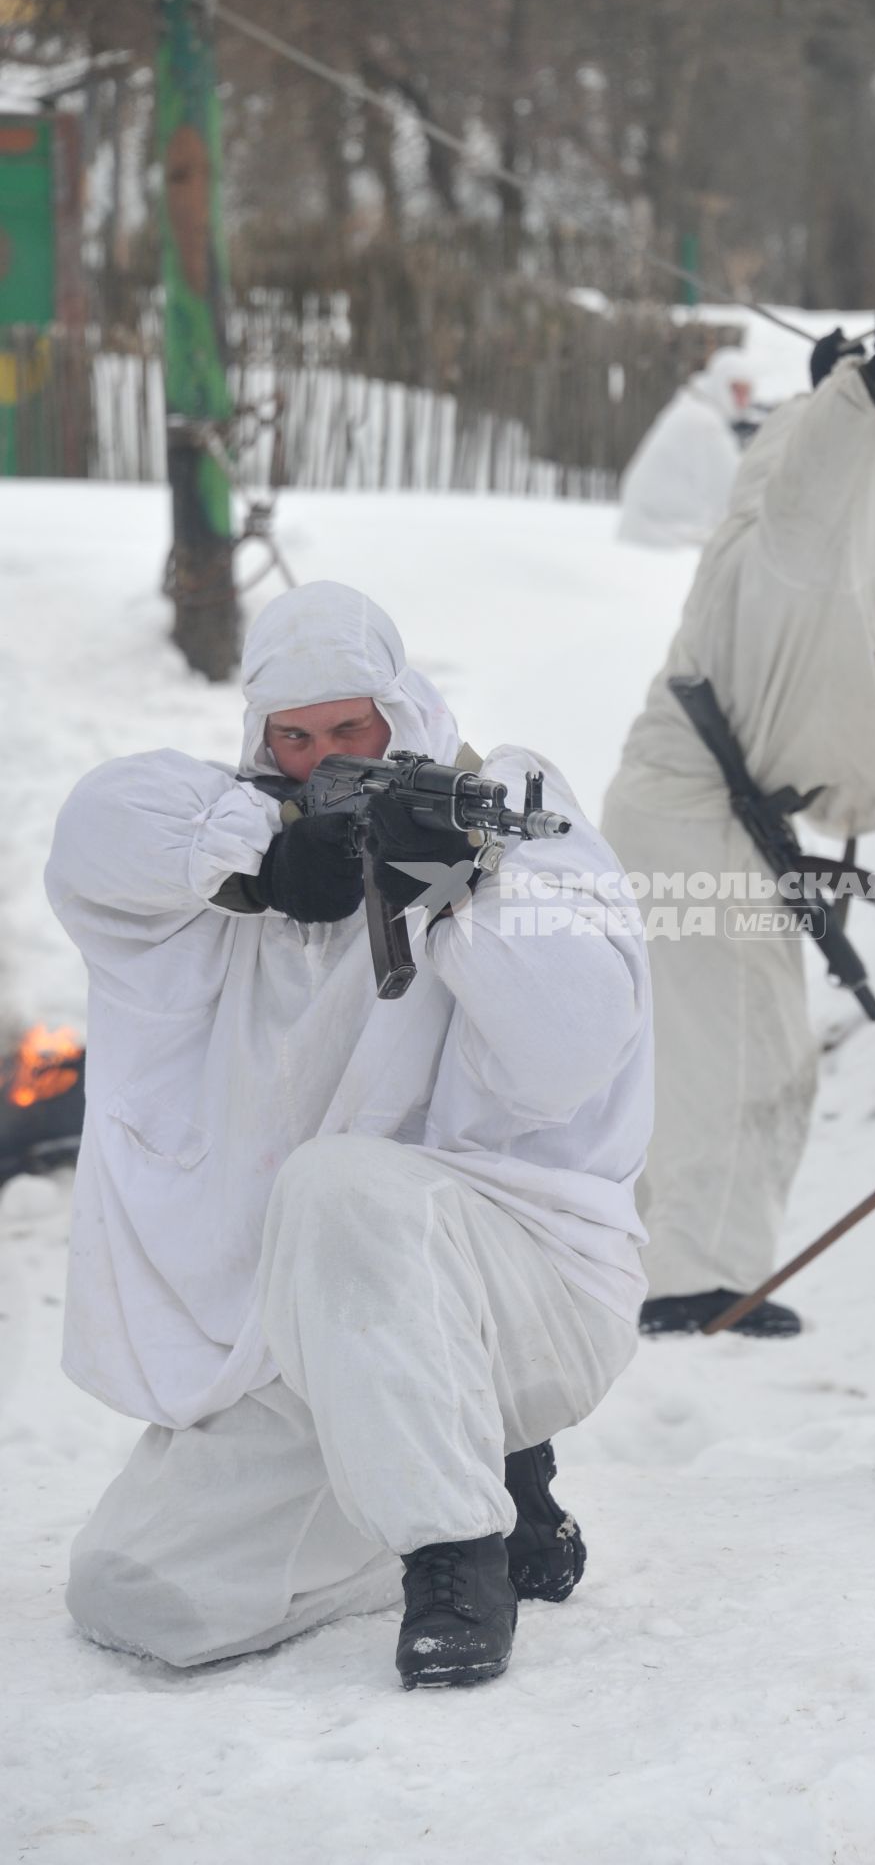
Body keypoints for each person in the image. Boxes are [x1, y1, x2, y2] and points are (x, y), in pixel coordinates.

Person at [44, 580, 652, 1689]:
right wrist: (263, 859)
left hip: (525, 1279)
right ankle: (455, 1474)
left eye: (349, 730)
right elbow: (91, 831)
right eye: (294, 735)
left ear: (397, 714)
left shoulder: (503, 801)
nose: (318, 753)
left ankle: (454, 1554)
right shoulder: (234, 834)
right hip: (315, 1336)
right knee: (138, 1594)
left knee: (339, 1187)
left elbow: (568, 1056)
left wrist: (462, 889)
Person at [601, 298, 875, 1338]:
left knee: (714, 1047)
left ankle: (672, 1265)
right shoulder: (803, 562)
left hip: (699, 817)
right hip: (691, 817)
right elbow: (816, 490)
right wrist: (863, 395)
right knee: (744, 1053)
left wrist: (822, 391)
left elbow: (778, 469)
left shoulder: (795, 568)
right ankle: (692, 1283)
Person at [617, 345, 755, 549]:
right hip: (661, 533)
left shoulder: (692, 408)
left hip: (642, 526)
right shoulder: (704, 423)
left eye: (747, 392)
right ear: (719, 384)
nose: (742, 401)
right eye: (735, 390)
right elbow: (735, 491)